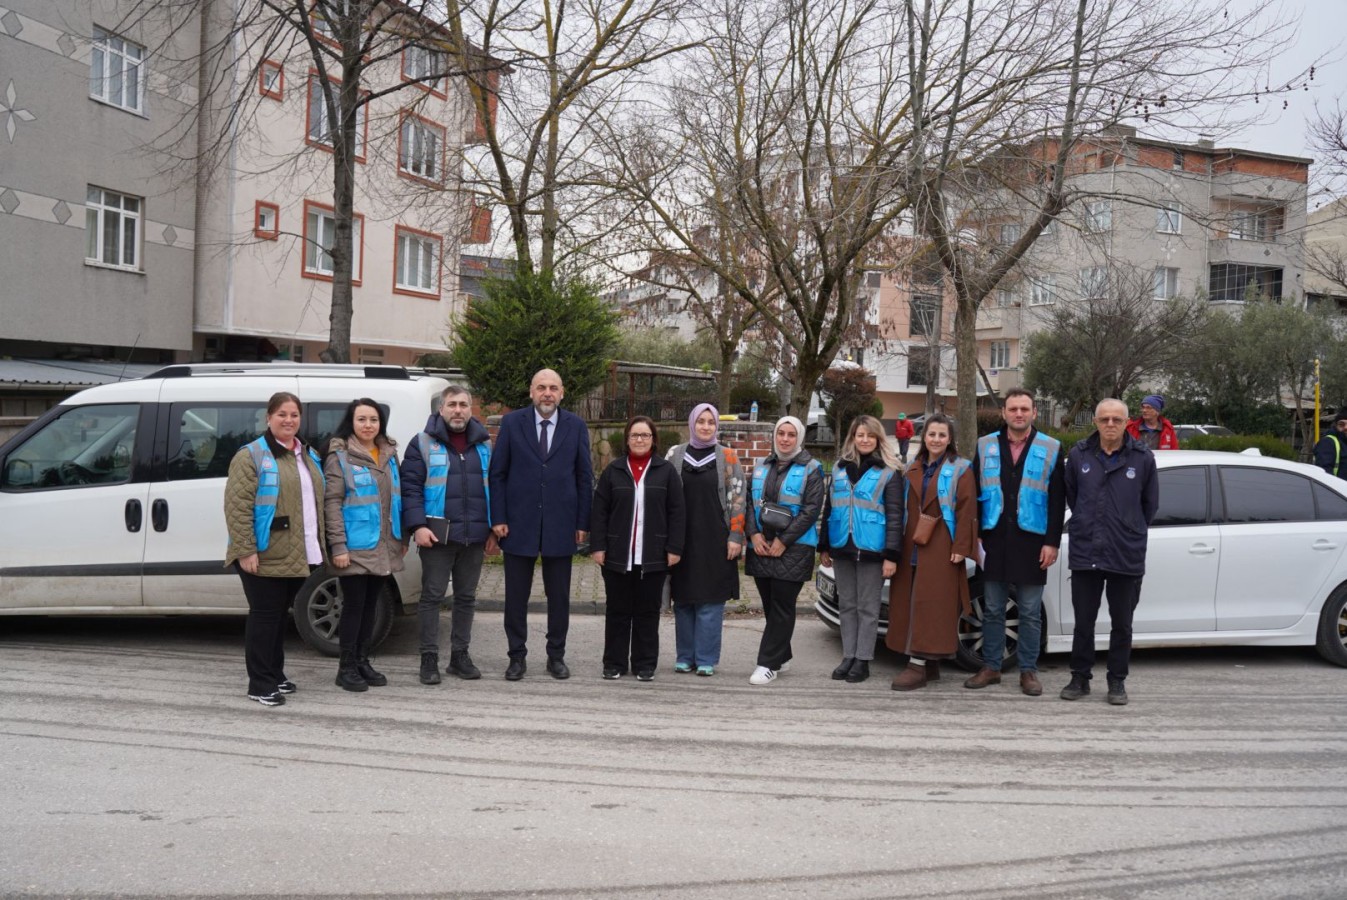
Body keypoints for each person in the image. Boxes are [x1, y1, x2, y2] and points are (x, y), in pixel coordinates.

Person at [489, 368, 594, 681]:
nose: (547, 393)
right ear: (531, 392)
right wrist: (499, 518)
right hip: (517, 524)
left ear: (562, 393)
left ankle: (556, 656)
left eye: (553, 388)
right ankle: (516, 657)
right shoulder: (512, 423)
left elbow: (583, 476)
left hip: (561, 524)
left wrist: (582, 522)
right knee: (515, 596)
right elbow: (498, 474)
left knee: (559, 597)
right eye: (541, 388)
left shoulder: (575, 425)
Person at [223, 392, 326, 707]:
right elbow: (237, 507)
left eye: (294, 414)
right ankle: (260, 683)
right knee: (265, 617)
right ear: (268, 418)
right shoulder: (251, 455)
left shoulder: (306, 453)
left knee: (278, 617)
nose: (289, 420)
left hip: (298, 551)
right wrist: (245, 549)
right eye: (282, 414)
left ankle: (275, 674)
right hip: (264, 552)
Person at [964, 389, 1066, 696]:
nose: (1018, 414)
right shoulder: (985, 445)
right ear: (1004, 413)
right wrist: (976, 535)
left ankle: (1028, 671)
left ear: (1034, 412)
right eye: (1013, 409)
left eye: (1024, 409)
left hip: (1033, 543)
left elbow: (1058, 499)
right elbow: (974, 491)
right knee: (993, 608)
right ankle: (992, 667)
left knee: (1030, 612)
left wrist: (1052, 542)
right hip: (994, 540)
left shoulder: (1051, 447)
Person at [1062, 398, 1159, 706]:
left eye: (1117, 420)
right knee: (1084, 621)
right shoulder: (1079, 455)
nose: (1110, 425)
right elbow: (1073, 498)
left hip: (1125, 553)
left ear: (1126, 422)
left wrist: (1127, 528)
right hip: (1086, 551)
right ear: (1095, 422)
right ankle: (1080, 677)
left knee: (1122, 624)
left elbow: (1150, 506)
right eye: (1104, 419)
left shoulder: (1142, 458)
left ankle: (1117, 681)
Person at [401, 385, 497, 685]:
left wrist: (495, 529)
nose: (458, 410)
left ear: (471, 409)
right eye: (452, 404)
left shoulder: (484, 445)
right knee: (431, 597)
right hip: (437, 537)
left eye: (464, 404)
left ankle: (459, 656)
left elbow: (494, 489)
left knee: (466, 598)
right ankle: (429, 658)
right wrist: (418, 526)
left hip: (475, 536)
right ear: (441, 409)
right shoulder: (422, 443)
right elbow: (410, 489)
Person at [886, 413, 977, 692]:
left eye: (942, 435)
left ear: (950, 440)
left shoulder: (961, 468)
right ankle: (931, 663)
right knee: (909, 602)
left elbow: (967, 509)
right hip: (911, 543)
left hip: (942, 544)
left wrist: (962, 547)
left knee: (933, 605)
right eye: (931, 434)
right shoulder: (912, 466)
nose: (936, 439)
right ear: (923, 437)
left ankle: (918, 664)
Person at [590, 416, 686, 681]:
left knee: (647, 612)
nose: (640, 440)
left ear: (653, 440)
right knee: (617, 611)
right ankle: (614, 663)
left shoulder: (666, 471)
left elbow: (677, 512)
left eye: (645, 435)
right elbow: (600, 512)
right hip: (617, 556)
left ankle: (645, 664)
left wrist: (674, 547)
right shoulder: (614, 471)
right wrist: (598, 546)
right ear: (627, 439)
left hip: (653, 555)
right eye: (635, 435)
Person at [322, 398, 405, 692]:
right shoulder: (339, 456)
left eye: (373, 419)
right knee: (354, 607)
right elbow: (332, 503)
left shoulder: (389, 453)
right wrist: (338, 546)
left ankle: (362, 660)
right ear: (351, 422)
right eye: (362, 420)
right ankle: (345, 668)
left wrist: (401, 538)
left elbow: (397, 498)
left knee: (371, 606)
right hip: (354, 545)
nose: (368, 425)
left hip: (383, 544)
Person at [820, 415, 903, 684]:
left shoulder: (889, 472)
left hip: (873, 551)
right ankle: (848, 655)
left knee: (868, 608)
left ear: (878, 439)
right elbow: (830, 507)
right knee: (847, 605)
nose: (864, 440)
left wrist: (891, 555)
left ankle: (863, 659)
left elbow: (895, 516)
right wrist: (824, 546)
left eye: (870, 435)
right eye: (859, 435)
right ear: (852, 438)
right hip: (842, 546)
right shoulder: (840, 470)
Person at [666, 403, 747, 676]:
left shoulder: (728, 457)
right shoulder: (675, 455)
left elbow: (738, 500)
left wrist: (736, 535)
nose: (705, 426)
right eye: (700, 421)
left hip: (716, 538)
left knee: (711, 601)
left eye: (710, 422)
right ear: (691, 423)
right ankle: (684, 656)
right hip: (682, 539)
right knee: (684, 599)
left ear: (716, 426)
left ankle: (706, 659)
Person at [745, 416, 825, 685]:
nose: (786, 439)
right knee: (770, 605)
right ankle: (783, 655)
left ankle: (767, 664)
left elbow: (811, 510)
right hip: (761, 544)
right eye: (781, 433)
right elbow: (747, 503)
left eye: (792, 434)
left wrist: (784, 541)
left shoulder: (812, 468)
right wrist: (753, 534)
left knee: (782, 606)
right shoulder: (760, 465)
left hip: (794, 547)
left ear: (799, 438)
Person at [1313, 408, 1347, 481]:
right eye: (1341, 424)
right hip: (1336, 490)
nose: (1345, 427)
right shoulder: (1328, 442)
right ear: (1336, 426)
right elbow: (1324, 473)